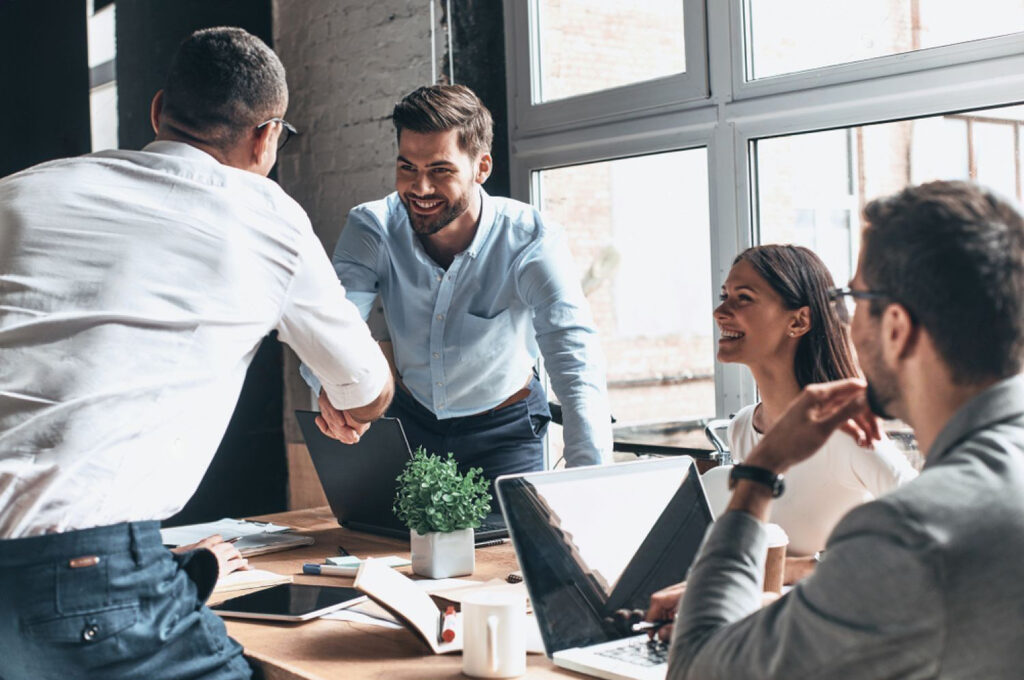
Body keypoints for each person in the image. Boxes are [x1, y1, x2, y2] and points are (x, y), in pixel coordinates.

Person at [0, 27, 393, 679]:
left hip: (83, 572)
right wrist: (345, 399)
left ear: (158, 112)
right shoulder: (265, 215)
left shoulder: (19, 193)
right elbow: (366, 390)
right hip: (85, 580)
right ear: (267, 137)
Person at [647, 180, 1024, 679]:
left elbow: (698, 669)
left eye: (853, 296)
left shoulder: (911, 532)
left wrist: (759, 474)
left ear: (895, 327)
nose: (842, 317)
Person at [304, 84, 612, 482]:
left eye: (440, 170)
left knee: (510, 544)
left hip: (505, 432)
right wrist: (329, 386)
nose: (420, 188)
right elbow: (332, 323)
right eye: (407, 168)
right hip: (409, 421)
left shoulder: (532, 240)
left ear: (481, 168)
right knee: (388, 542)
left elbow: (575, 359)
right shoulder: (373, 227)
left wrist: (590, 480)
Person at [713, 244, 917, 580]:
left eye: (743, 298)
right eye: (725, 295)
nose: (721, 311)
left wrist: (798, 568)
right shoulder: (742, 427)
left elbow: (933, 529)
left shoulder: (847, 435)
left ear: (799, 321)